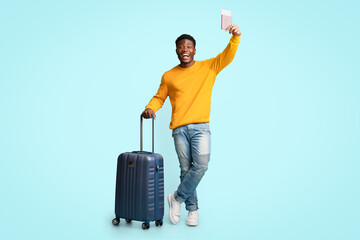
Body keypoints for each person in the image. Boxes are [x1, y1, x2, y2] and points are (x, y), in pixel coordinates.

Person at [142, 24, 241, 226]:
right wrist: (150, 108)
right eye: (181, 46)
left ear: (194, 50)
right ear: (176, 50)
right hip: (179, 129)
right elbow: (159, 98)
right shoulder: (169, 75)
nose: (185, 49)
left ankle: (176, 198)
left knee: (201, 166)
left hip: (201, 127)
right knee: (186, 169)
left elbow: (227, 56)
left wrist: (235, 38)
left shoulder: (208, 67)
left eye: (189, 46)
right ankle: (192, 211)